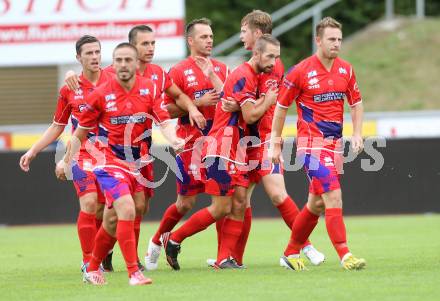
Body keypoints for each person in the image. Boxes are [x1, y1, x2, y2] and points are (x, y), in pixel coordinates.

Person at [65, 25, 205, 271]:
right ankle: (114, 262)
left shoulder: (156, 77)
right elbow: (86, 82)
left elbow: (169, 106)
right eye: (144, 44)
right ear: (131, 47)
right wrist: (71, 75)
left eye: (153, 44)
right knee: (113, 208)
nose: (150, 48)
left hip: (142, 152)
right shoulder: (111, 76)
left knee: (138, 207)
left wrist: (190, 111)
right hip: (110, 155)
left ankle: (105, 254)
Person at [209, 10, 324, 268]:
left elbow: (256, 107)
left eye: (244, 31)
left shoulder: (272, 64)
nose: (241, 37)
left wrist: (240, 108)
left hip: (262, 140)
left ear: (258, 34)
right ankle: (229, 258)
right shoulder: (251, 66)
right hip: (243, 143)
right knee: (240, 201)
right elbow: (244, 91)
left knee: (276, 194)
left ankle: (303, 247)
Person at [161, 34, 281, 270]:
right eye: (270, 56)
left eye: (276, 57)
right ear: (256, 54)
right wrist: (267, 101)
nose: (274, 62)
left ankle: (224, 259)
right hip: (220, 148)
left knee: (237, 203)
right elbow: (250, 115)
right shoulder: (245, 74)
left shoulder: (251, 75)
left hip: (233, 149)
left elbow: (231, 98)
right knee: (221, 207)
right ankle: (173, 238)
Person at [270, 17, 366, 271]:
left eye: (339, 39)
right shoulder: (300, 71)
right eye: (331, 39)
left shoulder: (346, 69)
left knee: (317, 203)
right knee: (333, 195)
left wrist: (357, 133)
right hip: (310, 146)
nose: (336, 44)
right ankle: (346, 254)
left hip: (334, 147)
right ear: (318, 40)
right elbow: (280, 109)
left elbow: (356, 104)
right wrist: (275, 144)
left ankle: (290, 252)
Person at [19, 35, 112, 271]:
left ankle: (103, 253)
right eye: (89, 53)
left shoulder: (113, 80)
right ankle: (88, 261)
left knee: (106, 211)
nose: (94, 57)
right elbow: (57, 125)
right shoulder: (69, 89)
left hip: (112, 156)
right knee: (89, 203)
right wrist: (33, 150)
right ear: (78, 58)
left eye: (97, 52)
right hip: (81, 154)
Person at [144, 18, 229, 271]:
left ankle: (223, 257)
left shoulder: (223, 69)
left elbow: (233, 102)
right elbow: (163, 111)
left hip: (220, 147)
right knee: (185, 204)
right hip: (190, 146)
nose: (210, 40)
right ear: (190, 41)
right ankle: (157, 240)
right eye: (204, 37)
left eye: (211, 36)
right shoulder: (179, 71)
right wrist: (195, 103)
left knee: (224, 201)